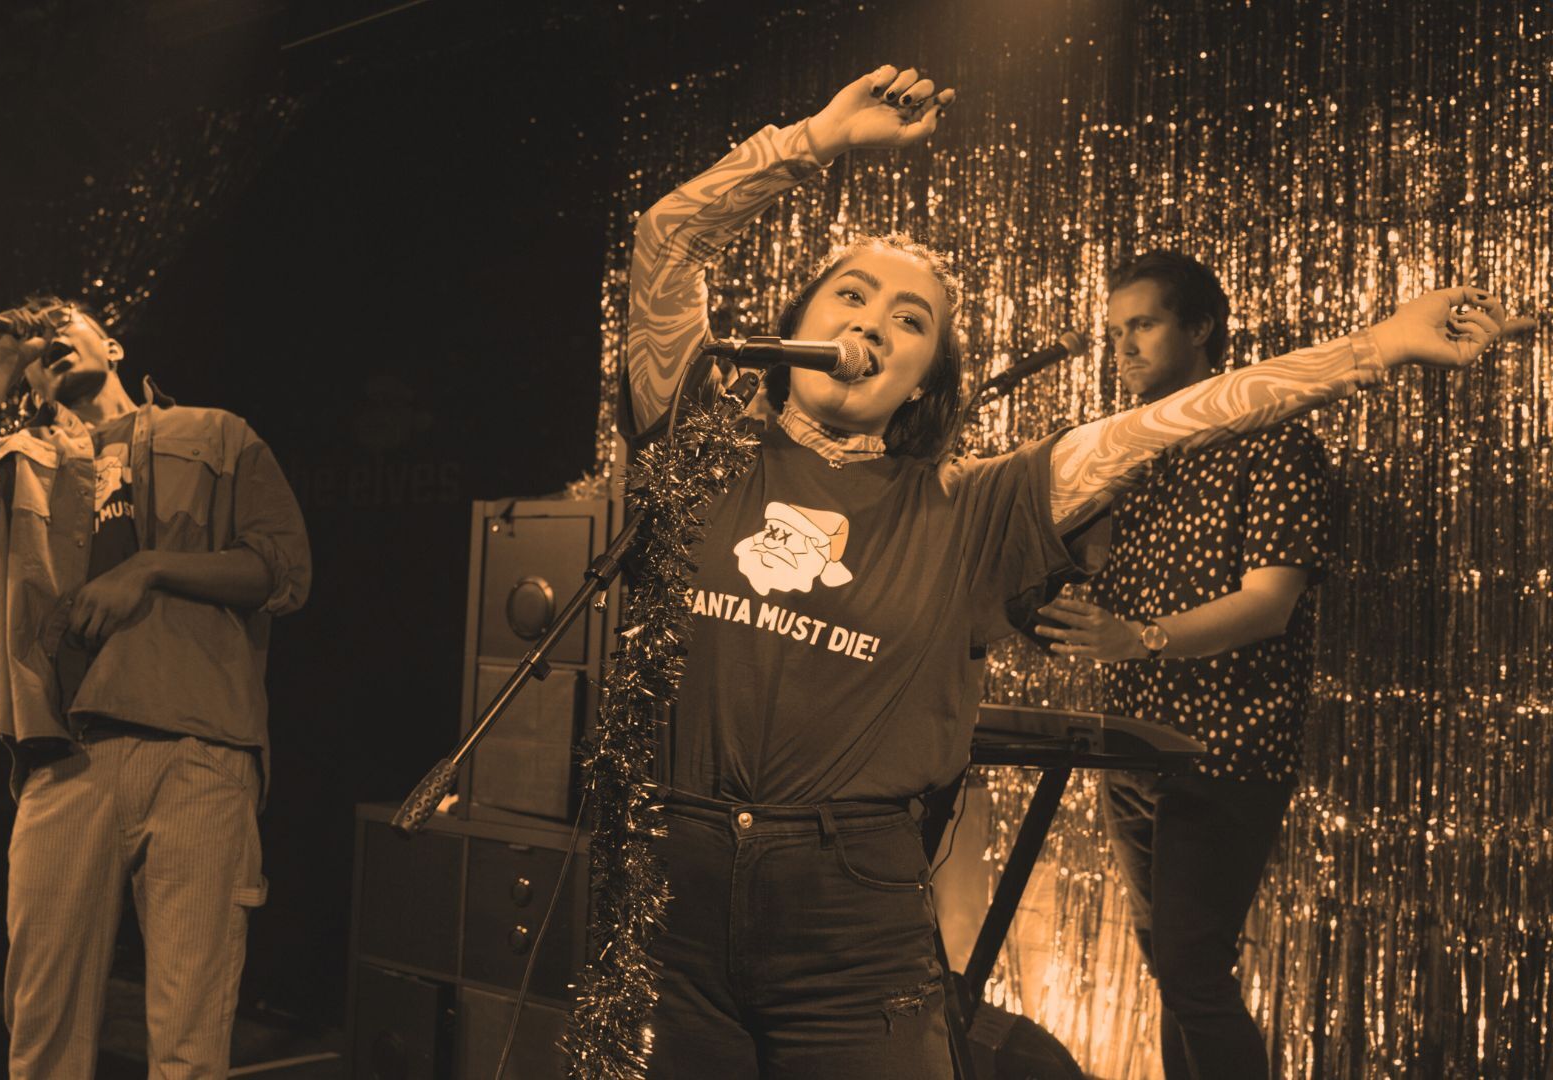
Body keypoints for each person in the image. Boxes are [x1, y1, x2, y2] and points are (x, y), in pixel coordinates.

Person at [618, 61, 1529, 1078]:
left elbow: (1169, 424)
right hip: (670, 900)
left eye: (911, 319)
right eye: (852, 294)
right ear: (796, 324)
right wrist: (818, 140)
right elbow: (667, 240)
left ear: (923, 382)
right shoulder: (700, 445)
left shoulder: (970, 506)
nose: (871, 322)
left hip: (851, 926)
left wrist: (1375, 347)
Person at [0, 297, 311, 1080]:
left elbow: (282, 570)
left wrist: (149, 568)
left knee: (189, 1044)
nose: (51, 331)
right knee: (43, 1039)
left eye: (67, 316)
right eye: (39, 332)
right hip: (64, 760)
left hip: (199, 750)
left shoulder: (217, 433)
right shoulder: (16, 455)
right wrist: (0, 360)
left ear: (113, 344)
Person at [1033, 251, 1327, 1079]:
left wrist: (1138, 638)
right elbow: (1101, 577)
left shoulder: (1274, 440)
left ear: (1200, 330)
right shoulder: (1131, 454)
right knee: (1172, 971)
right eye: (1114, 332)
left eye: (1144, 325)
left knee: (1193, 973)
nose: (1123, 348)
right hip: (1132, 746)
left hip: (1222, 749)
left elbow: (1269, 603)